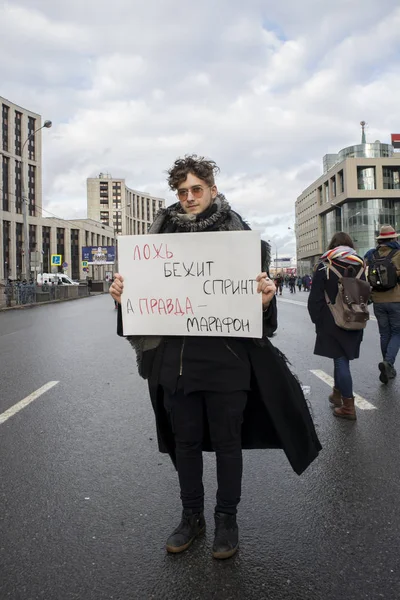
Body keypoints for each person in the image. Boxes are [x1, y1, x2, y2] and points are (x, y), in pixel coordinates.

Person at [110, 155, 321, 560]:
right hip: (176, 366)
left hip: (227, 363)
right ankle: (192, 516)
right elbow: (141, 312)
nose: (188, 198)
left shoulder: (239, 240)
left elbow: (264, 324)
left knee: (228, 444)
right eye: (182, 191)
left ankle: (226, 519)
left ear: (212, 190)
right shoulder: (155, 243)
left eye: (196, 190)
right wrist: (124, 298)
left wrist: (264, 302)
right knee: (184, 444)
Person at [307, 232, 366, 420]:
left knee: (340, 360)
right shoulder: (360, 265)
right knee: (340, 357)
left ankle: (348, 407)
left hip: (331, 320)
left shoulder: (325, 265)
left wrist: (318, 321)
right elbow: (366, 296)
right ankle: (337, 394)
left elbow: (315, 299)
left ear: (332, 245)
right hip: (355, 318)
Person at [365, 225, 400, 384]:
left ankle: (387, 367)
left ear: (380, 239)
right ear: (393, 238)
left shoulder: (371, 255)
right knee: (397, 333)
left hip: (378, 300)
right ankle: (388, 363)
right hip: (396, 299)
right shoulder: (398, 253)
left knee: (384, 333)